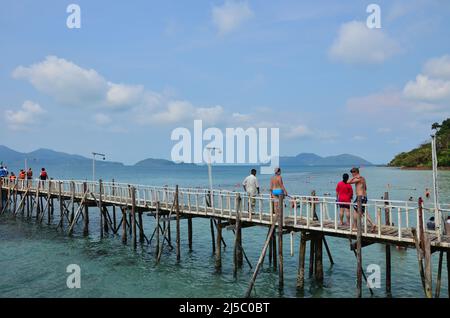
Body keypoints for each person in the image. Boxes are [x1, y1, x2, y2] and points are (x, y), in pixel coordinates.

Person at [347, 167, 376, 232]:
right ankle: (371, 224)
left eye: (353, 173)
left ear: (356, 172)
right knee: (362, 211)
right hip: (363, 197)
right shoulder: (363, 178)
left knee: (356, 211)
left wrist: (354, 177)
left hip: (360, 197)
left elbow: (347, 182)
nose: (352, 174)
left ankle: (355, 227)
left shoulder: (359, 178)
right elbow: (365, 188)